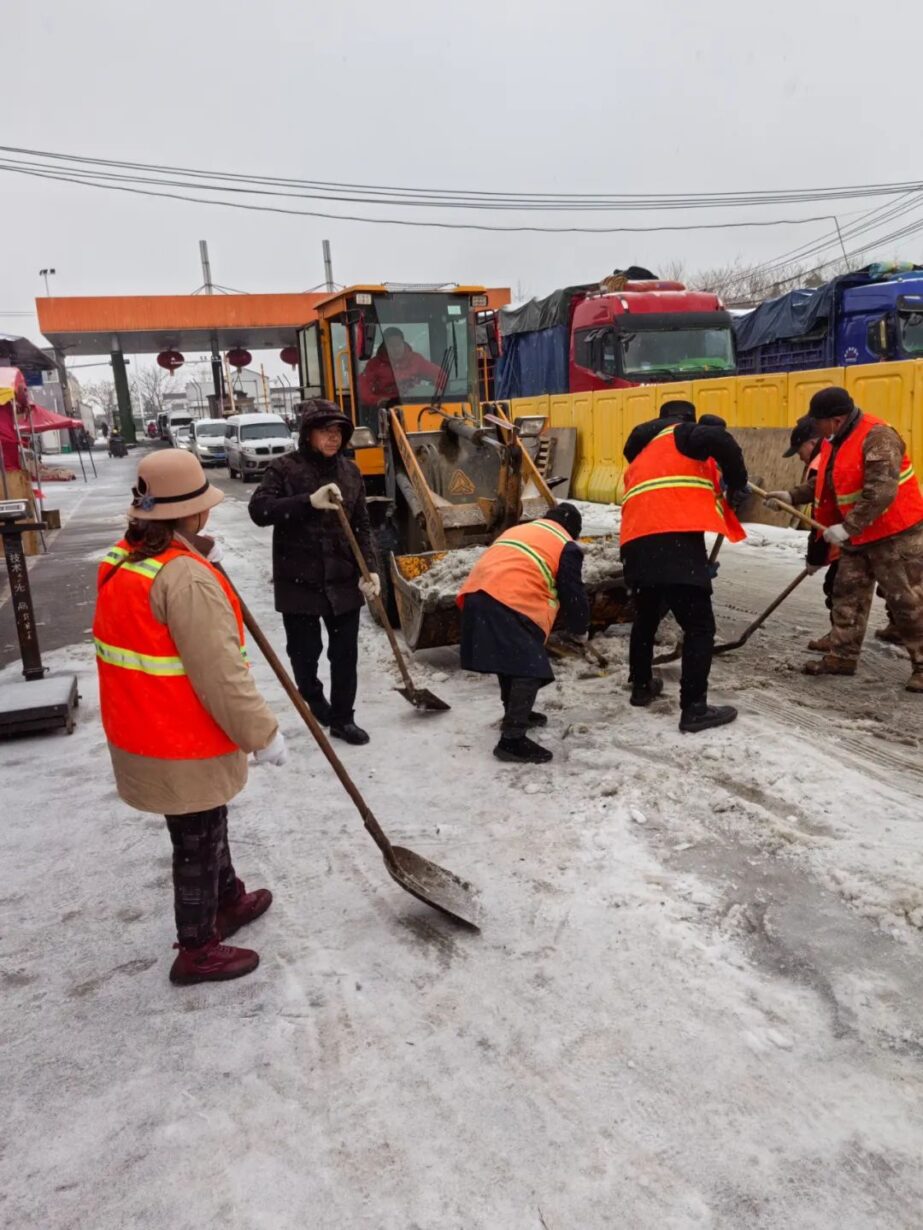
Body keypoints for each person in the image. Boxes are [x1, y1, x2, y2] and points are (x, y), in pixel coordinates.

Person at [93, 450, 286, 986]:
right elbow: (221, 675)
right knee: (196, 838)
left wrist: (196, 554)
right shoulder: (186, 581)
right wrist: (262, 734)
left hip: (142, 728)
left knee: (205, 819)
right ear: (194, 513)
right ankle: (197, 946)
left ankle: (227, 898)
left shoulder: (124, 558)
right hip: (182, 737)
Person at [765, 386, 923, 692]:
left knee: (907, 602)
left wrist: (847, 527)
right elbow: (828, 483)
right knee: (847, 593)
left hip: (895, 533)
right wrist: (792, 495)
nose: (816, 428)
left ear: (836, 420)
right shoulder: (834, 441)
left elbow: (881, 493)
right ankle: (842, 656)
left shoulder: (878, 438)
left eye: (819, 422)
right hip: (860, 535)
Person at [248, 399, 378, 744]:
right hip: (299, 582)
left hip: (343, 579)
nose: (333, 438)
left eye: (338, 431)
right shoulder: (284, 469)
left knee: (345, 654)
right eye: (325, 431)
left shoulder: (350, 472)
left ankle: (342, 718)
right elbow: (259, 510)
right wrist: (307, 502)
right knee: (305, 655)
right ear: (308, 435)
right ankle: (315, 697)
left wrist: (371, 569)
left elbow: (362, 524)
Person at [620, 399, 749, 732]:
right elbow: (723, 443)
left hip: (636, 545)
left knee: (646, 618)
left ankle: (641, 686)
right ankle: (694, 709)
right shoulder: (683, 434)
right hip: (672, 541)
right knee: (700, 628)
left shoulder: (644, 452)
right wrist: (737, 483)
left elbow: (671, 497)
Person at [457, 503, 589, 764]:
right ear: (573, 530)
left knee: (512, 662)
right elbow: (572, 592)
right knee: (530, 667)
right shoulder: (566, 544)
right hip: (509, 599)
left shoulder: (522, 531)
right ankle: (512, 740)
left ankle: (516, 713)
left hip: (477, 595)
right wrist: (580, 628)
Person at [358, 327, 443, 407]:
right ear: (385, 346)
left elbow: (440, 375)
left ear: (403, 343)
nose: (395, 349)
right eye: (391, 345)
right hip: (386, 409)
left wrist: (437, 391)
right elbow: (362, 388)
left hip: (414, 406)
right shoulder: (374, 364)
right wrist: (377, 400)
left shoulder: (415, 360)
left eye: (398, 345)